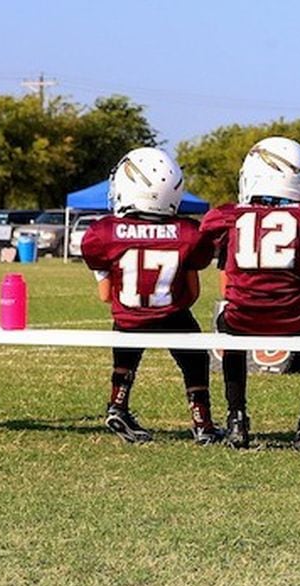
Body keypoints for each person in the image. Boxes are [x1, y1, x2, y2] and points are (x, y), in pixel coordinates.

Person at [200, 137, 300, 450]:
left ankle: (236, 418)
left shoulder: (231, 221)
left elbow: (226, 290)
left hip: (242, 318)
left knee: (229, 328)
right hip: (295, 319)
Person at [81, 147, 223, 445]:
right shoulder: (186, 232)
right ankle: (202, 422)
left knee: (125, 347)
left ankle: (117, 404)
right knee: (194, 360)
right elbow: (193, 292)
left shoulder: (105, 232)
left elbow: (106, 295)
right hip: (174, 314)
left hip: (128, 317)